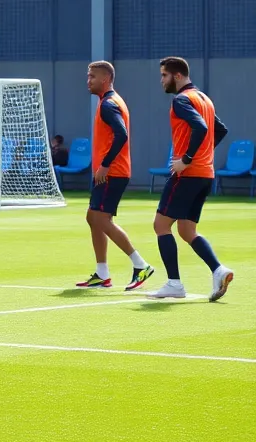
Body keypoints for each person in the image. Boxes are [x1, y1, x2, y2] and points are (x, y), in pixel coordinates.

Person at [147, 57, 234, 302]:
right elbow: (220, 130)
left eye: (164, 75)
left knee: (161, 225)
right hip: (205, 174)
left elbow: (201, 127)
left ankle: (174, 284)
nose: (161, 80)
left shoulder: (181, 100)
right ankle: (219, 270)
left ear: (177, 76)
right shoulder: (204, 99)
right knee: (186, 230)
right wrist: (202, 155)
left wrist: (186, 159)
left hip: (187, 174)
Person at [74, 61, 154, 290]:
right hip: (109, 172)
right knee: (93, 217)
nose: (88, 81)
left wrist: (105, 165)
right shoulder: (108, 101)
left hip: (112, 172)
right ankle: (102, 274)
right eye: (88, 76)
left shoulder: (109, 104)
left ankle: (141, 265)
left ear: (105, 79)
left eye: (92, 76)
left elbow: (121, 134)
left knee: (101, 219)